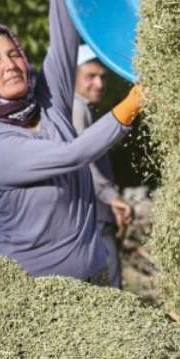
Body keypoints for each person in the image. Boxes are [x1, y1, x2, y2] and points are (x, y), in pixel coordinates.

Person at [0, 0, 143, 282]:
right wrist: (132, 105)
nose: (10, 65)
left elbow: (64, 42)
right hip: (30, 293)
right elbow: (72, 155)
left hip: (93, 279)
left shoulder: (48, 103)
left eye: (13, 53)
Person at [71, 46, 134, 288]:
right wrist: (111, 197)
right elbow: (82, 160)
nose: (98, 84)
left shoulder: (86, 109)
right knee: (110, 287)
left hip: (97, 211)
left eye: (103, 77)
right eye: (90, 76)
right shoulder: (77, 110)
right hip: (94, 213)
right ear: (74, 77)